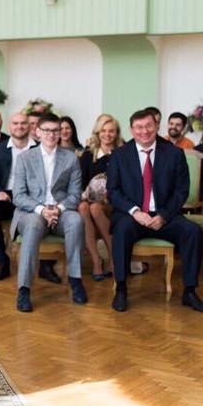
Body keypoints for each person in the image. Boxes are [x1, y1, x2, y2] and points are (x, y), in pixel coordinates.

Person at [107, 109, 203, 313]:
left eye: (148, 126)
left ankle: (189, 291)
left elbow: (181, 191)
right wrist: (135, 212)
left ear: (156, 127)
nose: (144, 131)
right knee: (121, 230)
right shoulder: (120, 154)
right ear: (131, 130)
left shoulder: (174, 153)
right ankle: (121, 289)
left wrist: (163, 215)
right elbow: (113, 191)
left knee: (193, 232)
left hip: (165, 215)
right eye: (139, 127)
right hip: (133, 216)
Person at [11, 113, 85, 312]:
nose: (51, 135)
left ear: (60, 133)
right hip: (31, 212)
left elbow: (75, 194)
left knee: (76, 220)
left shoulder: (71, 158)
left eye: (55, 131)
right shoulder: (25, 158)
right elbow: (18, 195)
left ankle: (75, 280)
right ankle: (24, 289)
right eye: (46, 130)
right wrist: (42, 210)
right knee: (34, 224)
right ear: (37, 132)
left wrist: (58, 209)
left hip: (61, 211)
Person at [0, 112, 31, 281]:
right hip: (7, 196)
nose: (19, 126)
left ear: (29, 126)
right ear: (9, 127)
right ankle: (1, 261)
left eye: (23, 123)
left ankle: (46, 265)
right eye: (15, 123)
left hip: (32, 197)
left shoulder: (38, 148)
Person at [77, 113, 123, 281]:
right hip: (90, 201)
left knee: (95, 208)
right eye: (103, 131)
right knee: (83, 207)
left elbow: (127, 183)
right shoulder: (88, 155)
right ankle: (96, 260)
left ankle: (113, 257)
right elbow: (81, 183)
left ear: (116, 133)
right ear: (97, 132)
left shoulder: (123, 154)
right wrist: (86, 197)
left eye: (111, 131)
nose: (107, 134)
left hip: (114, 203)